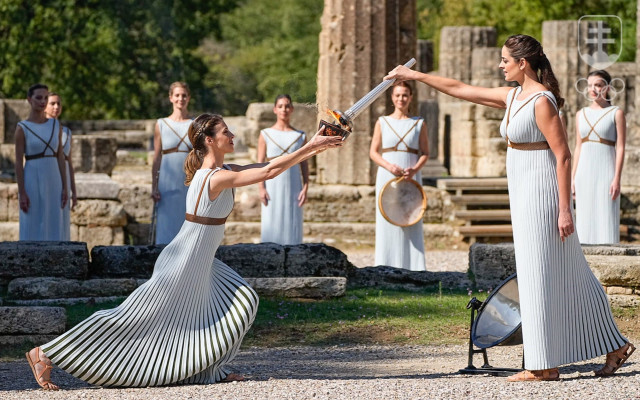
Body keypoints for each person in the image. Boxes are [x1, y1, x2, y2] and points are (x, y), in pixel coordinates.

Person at [25, 114, 342, 390]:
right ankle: (46, 353)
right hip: (185, 259)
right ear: (210, 140)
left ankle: (207, 369)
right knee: (129, 318)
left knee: (243, 301)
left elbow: (265, 165)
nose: (231, 136)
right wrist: (313, 145)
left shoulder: (224, 169)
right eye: (225, 133)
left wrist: (315, 145)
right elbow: (270, 172)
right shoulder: (215, 177)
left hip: (202, 260)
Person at [385, 34, 634, 381]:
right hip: (523, 189)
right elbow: (460, 87)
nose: (500, 65)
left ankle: (543, 366)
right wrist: (416, 77)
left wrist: (564, 209)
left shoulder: (542, 101)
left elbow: (563, 155)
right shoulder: (513, 95)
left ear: (523, 63)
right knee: (569, 273)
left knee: (541, 275)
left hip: (543, 194)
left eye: (505, 60)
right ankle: (614, 345)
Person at [369, 82, 429, 271]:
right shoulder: (383, 122)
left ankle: (414, 267)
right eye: (397, 95)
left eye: (404, 95)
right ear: (392, 98)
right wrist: (388, 166)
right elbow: (373, 152)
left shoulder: (418, 123)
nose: (400, 99)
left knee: (411, 215)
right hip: (388, 175)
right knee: (387, 215)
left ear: (411, 97)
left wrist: (414, 169)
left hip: (411, 176)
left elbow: (425, 152)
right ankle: (385, 264)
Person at [572, 70, 626, 244]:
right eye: (589, 85)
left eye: (598, 85)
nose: (593, 89)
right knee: (584, 219)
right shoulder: (580, 114)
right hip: (583, 173)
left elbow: (621, 147)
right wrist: (572, 178)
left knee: (606, 216)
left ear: (608, 88)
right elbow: (578, 147)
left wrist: (616, 178)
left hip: (606, 173)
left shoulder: (616, 113)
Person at [15, 83, 68, 241]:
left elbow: (60, 156)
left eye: (45, 98)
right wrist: (22, 192)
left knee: (53, 219)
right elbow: (18, 162)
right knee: (33, 219)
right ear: (29, 100)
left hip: (54, 177)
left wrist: (65, 187)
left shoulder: (55, 125)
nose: (42, 101)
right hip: (32, 174)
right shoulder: (22, 128)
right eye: (38, 98)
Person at [257, 94, 308, 244]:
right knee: (272, 219)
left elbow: (304, 164)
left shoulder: (300, 135)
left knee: (292, 219)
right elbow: (260, 163)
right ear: (275, 110)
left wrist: (306, 187)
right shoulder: (266, 134)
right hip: (272, 183)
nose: (284, 109)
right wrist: (261, 187)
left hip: (294, 183)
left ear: (292, 109)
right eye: (280, 106)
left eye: (287, 106)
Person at [151, 82, 194, 244]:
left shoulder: (194, 124)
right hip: (167, 182)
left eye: (184, 95)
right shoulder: (161, 124)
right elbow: (157, 158)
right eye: (177, 95)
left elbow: (200, 156)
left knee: (187, 219)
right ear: (171, 98)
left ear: (188, 98)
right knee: (166, 222)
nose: (180, 99)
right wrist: (154, 186)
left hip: (188, 179)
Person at [45, 92, 77, 240]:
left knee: (62, 217)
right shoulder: (39, 129)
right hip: (48, 173)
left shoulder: (67, 132)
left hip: (64, 179)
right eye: (52, 103)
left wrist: (73, 192)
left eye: (59, 103)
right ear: (45, 106)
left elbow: (69, 162)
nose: (56, 107)